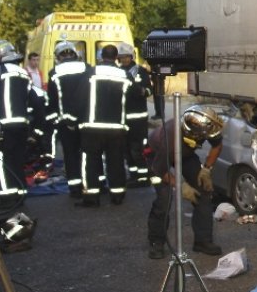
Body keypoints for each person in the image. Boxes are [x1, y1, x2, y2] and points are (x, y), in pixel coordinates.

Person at [146, 105, 224, 259]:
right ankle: (157, 242)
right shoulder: (169, 138)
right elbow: (161, 171)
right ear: (193, 132)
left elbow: (217, 145)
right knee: (164, 198)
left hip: (185, 154)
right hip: (157, 158)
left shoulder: (206, 126)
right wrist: (181, 186)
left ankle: (203, 241)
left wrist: (206, 169)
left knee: (204, 190)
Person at [0, 40, 45, 210]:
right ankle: (20, 194)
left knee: (0, 161)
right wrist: (37, 130)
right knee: (17, 160)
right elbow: (36, 101)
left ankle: (7, 197)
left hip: (3, 125)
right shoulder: (23, 73)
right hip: (22, 125)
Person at [76, 45, 131, 207]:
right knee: (116, 160)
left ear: (101, 56)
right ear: (116, 57)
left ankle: (91, 197)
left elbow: (80, 97)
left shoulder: (91, 73)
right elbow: (134, 95)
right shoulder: (124, 74)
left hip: (93, 126)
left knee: (91, 161)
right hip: (116, 127)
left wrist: (75, 120)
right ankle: (118, 194)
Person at [46, 41, 92, 199]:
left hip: (65, 121)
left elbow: (52, 99)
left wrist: (52, 120)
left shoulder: (54, 72)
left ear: (58, 57)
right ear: (74, 53)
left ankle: (75, 188)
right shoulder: (87, 67)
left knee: (71, 155)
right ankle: (92, 185)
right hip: (86, 118)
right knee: (88, 154)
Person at [117, 42, 153, 187]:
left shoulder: (140, 71)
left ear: (131, 56)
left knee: (137, 149)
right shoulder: (118, 72)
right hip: (124, 117)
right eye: (121, 57)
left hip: (138, 117)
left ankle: (143, 177)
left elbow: (149, 90)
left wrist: (141, 91)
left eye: (126, 57)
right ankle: (133, 175)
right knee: (126, 149)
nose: (124, 60)